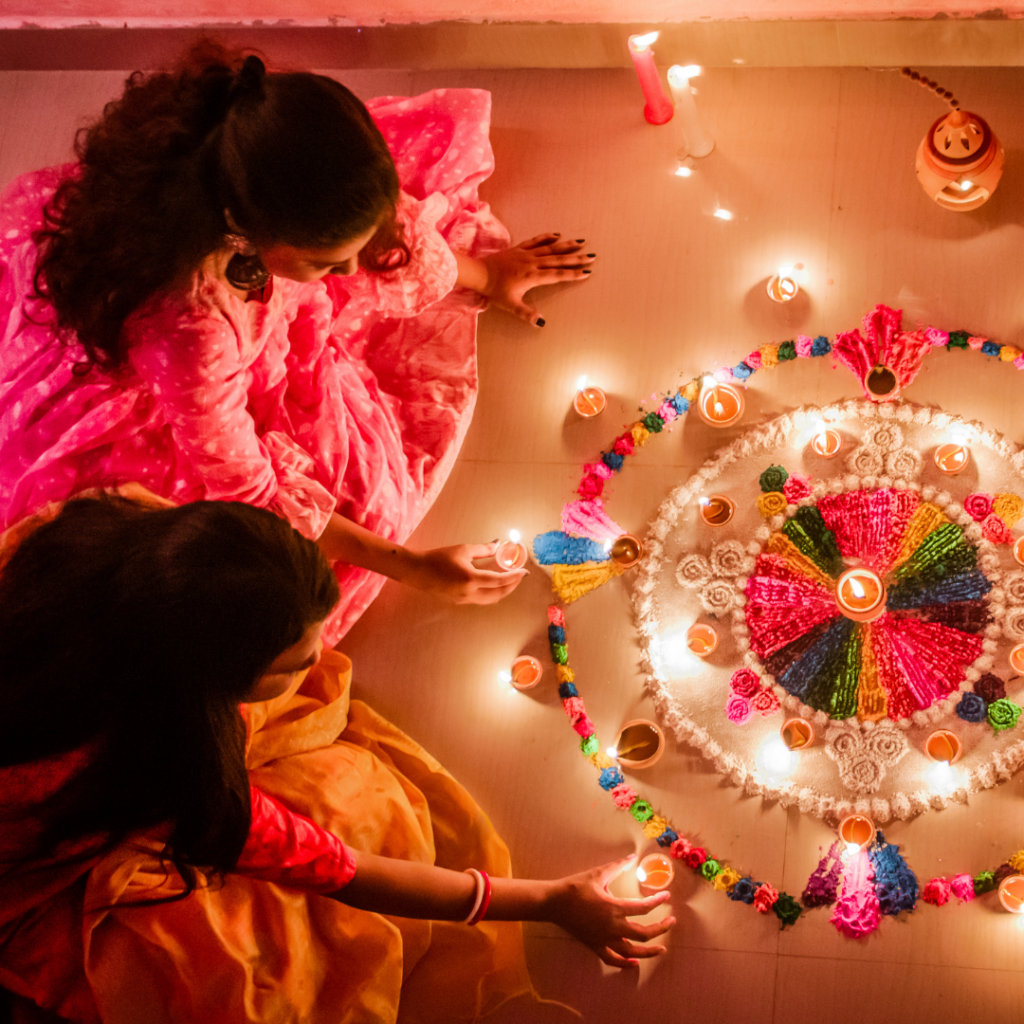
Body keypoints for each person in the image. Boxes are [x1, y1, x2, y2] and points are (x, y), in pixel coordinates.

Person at [0, 42, 597, 647]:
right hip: (162, 396)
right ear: (243, 230)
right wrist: (412, 566)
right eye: (326, 263)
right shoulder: (189, 331)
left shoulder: (258, 156)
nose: (345, 280)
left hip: (221, 309)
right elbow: (251, 494)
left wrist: (489, 277)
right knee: (349, 517)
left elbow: (387, 237)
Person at [0, 493, 673, 1024]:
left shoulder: (79, 538)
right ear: (206, 683)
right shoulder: (165, 773)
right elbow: (344, 871)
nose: (321, 658)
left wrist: (411, 564)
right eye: (293, 663)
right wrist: (551, 900)